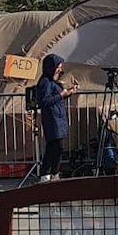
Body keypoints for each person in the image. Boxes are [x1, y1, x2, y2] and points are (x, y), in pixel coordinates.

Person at [36, 54, 77, 182]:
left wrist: (68, 93)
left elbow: (56, 96)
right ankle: (48, 173)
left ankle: (54, 172)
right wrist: (61, 94)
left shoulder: (52, 82)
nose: (60, 70)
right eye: (58, 67)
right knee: (54, 147)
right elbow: (45, 101)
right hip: (52, 118)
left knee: (57, 147)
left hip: (58, 117)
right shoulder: (45, 82)